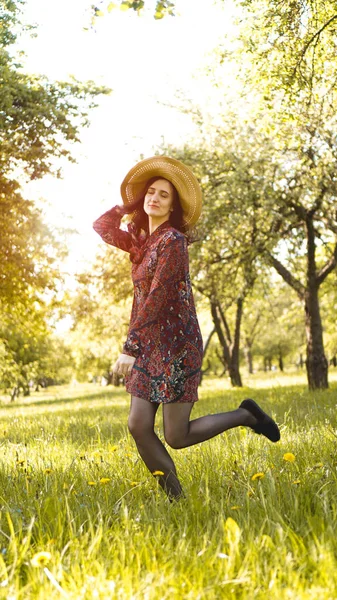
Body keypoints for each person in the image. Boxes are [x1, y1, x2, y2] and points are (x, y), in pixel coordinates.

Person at [93, 156, 280, 500]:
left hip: (177, 344)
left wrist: (129, 347)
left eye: (164, 195)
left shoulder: (173, 242)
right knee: (137, 425)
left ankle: (246, 415)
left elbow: (159, 297)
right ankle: (176, 500)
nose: (155, 198)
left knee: (177, 436)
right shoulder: (140, 241)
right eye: (151, 192)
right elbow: (102, 226)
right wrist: (127, 203)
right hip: (149, 342)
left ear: (173, 206)